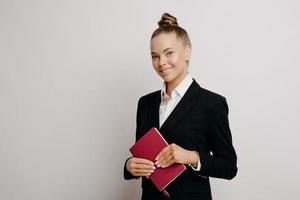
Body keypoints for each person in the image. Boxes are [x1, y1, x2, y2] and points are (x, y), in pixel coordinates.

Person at [123, 13, 237, 200]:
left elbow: (229, 167)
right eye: (154, 56)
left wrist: (191, 157)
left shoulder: (212, 104)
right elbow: (143, 156)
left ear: (187, 51)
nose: (161, 63)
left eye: (169, 53)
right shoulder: (145, 103)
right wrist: (130, 166)